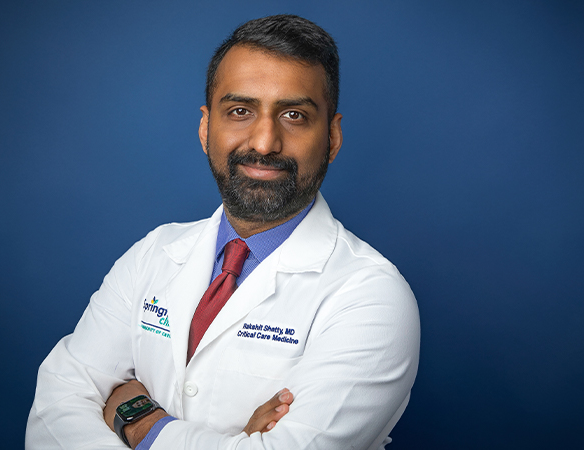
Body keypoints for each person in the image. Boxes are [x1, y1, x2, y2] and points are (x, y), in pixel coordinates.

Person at [26, 14, 420, 450]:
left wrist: (139, 421)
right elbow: (54, 411)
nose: (264, 142)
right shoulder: (153, 254)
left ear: (332, 137)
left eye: (294, 115)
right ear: (205, 127)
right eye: (240, 111)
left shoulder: (371, 295)